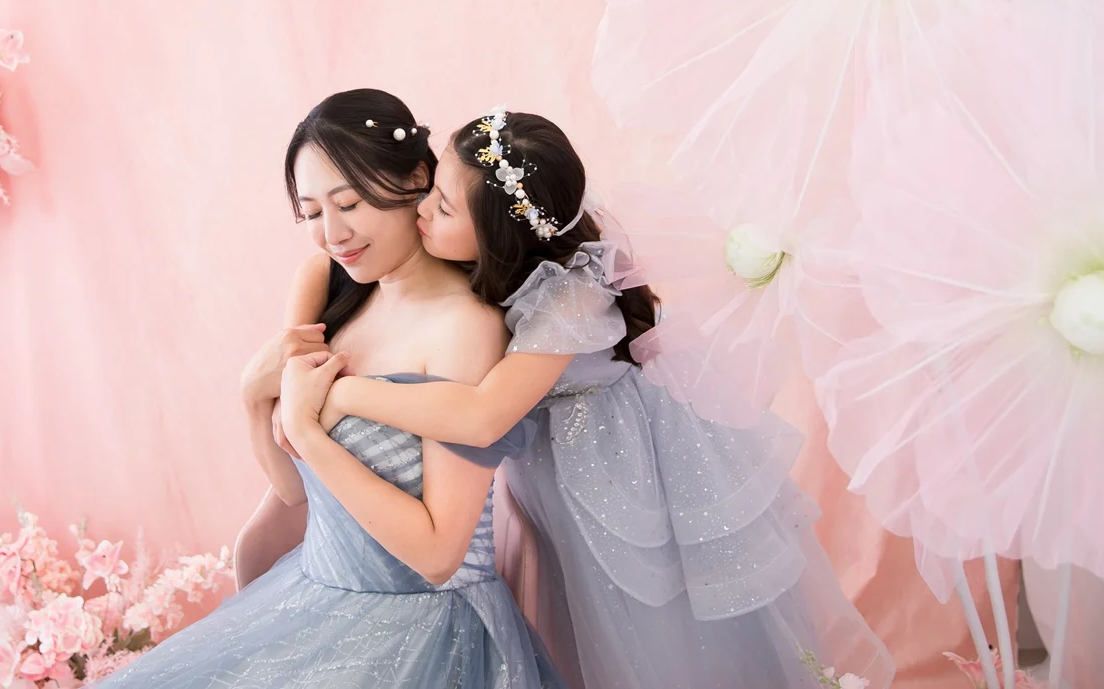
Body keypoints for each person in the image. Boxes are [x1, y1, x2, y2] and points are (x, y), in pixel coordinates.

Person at [298, 106, 896, 688]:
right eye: (431, 192)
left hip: (620, 456)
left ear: (496, 232)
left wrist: (346, 395)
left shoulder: (570, 295)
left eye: (443, 206)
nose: (421, 210)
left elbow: (482, 417)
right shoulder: (472, 267)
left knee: (652, 621)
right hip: (553, 456)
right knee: (572, 612)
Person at [94, 90, 563, 688]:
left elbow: (439, 555)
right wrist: (252, 396)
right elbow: (294, 490)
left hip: (421, 630)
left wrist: (311, 433)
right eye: (313, 213)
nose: (332, 235)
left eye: (349, 203)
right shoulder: (328, 286)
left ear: (417, 181)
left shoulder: (463, 328)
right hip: (312, 596)